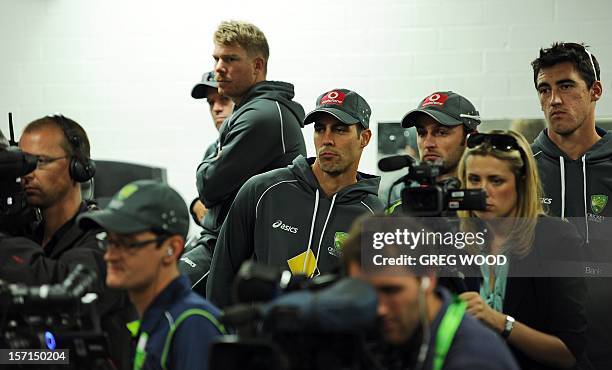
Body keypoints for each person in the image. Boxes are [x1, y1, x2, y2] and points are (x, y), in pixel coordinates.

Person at [207, 88, 384, 307]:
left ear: (364, 138)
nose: (327, 139)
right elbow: (222, 275)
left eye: (340, 130)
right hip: (263, 337)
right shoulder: (262, 190)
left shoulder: (375, 217)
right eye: (320, 129)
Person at [0, 115, 134, 369]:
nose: (26, 174)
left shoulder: (104, 238)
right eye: (22, 163)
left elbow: (61, 285)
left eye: (40, 162)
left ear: (78, 167)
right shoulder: (27, 236)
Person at [184, 20, 307, 291]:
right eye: (216, 58)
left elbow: (209, 185)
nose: (219, 67)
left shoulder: (260, 116)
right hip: (230, 244)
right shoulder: (249, 112)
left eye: (230, 58)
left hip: (248, 252)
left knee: (166, 293)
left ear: (257, 66)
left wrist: (207, 164)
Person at [457, 130, 589, 369]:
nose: (482, 191)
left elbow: (569, 352)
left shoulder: (557, 238)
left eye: (496, 181)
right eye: (474, 180)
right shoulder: (458, 240)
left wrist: (501, 323)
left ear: (521, 183)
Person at [79, 180, 225, 370]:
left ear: (171, 249)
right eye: (109, 241)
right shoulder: (153, 318)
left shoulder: (192, 324)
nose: (109, 255)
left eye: (127, 243)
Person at [342, 216, 520, 370]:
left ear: (429, 277)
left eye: (391, 291)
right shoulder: (379, 336)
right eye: (364, 292)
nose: (379, 308)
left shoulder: (475, 359)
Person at [531, 42, 612, 370]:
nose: (554, 100)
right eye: (544, 89)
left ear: (595, 90)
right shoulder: (521, 171)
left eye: (566, 86)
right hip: (540, 348)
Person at [387, 91, 482, 214]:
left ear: (470, 138)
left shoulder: (486, 209)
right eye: (422, 133)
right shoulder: (398, 212)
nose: (428, 144)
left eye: (441, 132)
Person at [187, 70, 234, 225]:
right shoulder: (212, 149)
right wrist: (195, 205)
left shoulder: (253, 144)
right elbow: (205, 201)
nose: (216, 108)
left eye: (224, 99)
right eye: (211, 102)